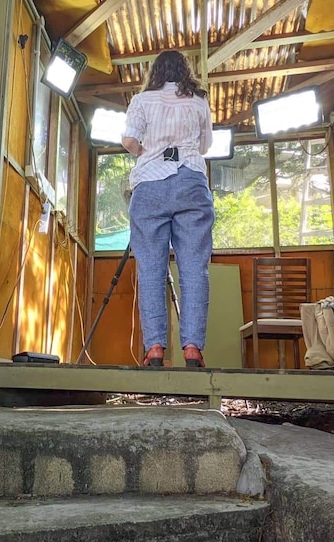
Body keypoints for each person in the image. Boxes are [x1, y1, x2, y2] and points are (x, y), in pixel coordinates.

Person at [121, 49, 214, 368]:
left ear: (156, 72)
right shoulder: (199, 100)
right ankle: (192, 348)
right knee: (194, 268)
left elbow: (129, 141)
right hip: (191, 181)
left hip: (150, 183)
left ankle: (155, 348)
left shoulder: (142, 100)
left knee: (151, 269)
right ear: (185, 71)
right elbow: (205, 146)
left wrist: (149, 150)